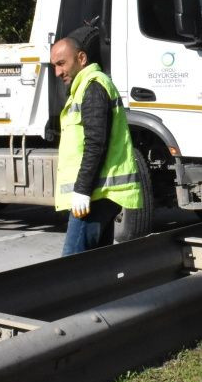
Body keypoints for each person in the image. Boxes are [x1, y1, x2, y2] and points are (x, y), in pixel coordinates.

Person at [49, 33, 143, 256]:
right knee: (97, 264)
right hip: (99, 193)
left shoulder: (92, 87)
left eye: (61, 63)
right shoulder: (88, 87)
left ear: (81, 58)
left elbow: (95, 143)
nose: (57, 72)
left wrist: (82, 191)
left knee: (72, 267)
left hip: (95, 195)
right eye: (54, 66)